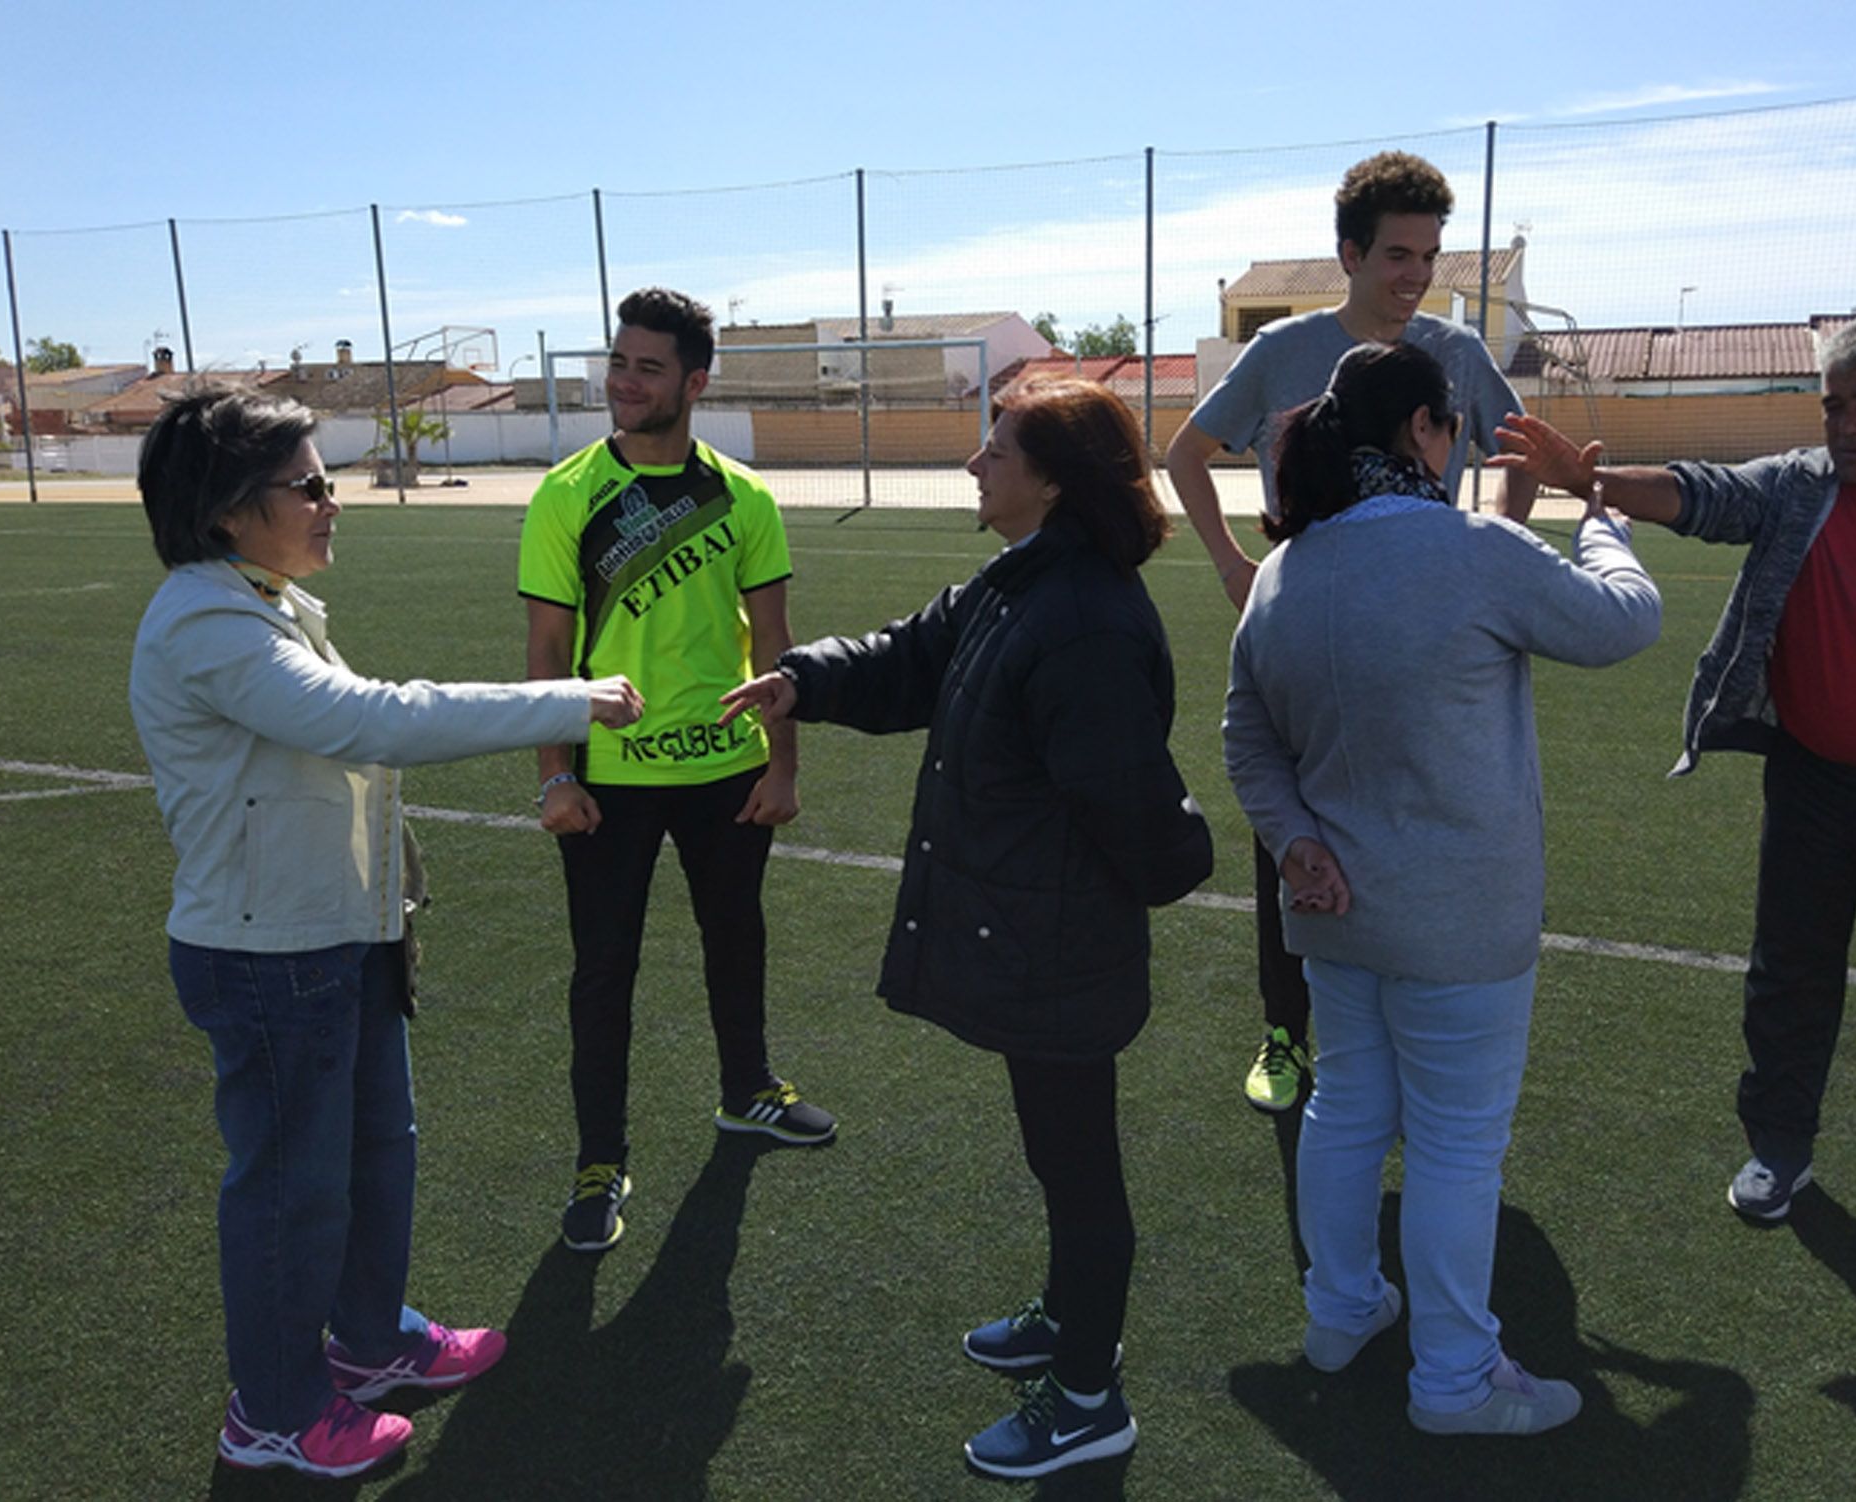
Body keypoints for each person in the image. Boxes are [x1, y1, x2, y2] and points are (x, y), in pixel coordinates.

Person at [129, 387, 645, 1479]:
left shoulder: (262, 601)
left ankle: (368, 1344)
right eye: (308, 484)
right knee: (288, 1187)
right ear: (228, 509)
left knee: (375, 1155)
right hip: (270, 957)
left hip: (338, 938)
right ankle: (271, 1408)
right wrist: (564, 702)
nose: (332, 501)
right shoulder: (207, 621)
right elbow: (371, 719)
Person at [719, 376, 1213, 1478]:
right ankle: (1067, 1318)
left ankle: (1087, 1392)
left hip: (1060, 946)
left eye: (995, 450)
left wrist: (1184, 858)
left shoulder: (1078, 616)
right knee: (1057, 1156)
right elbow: (911, 657)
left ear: (1050, 478)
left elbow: (1132, 805)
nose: (975, 465)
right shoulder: (1020, 581)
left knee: (1082, 1172)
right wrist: (802, 677)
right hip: (1034, 939)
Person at [1492, 314, 1856, 1236]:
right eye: (1835, 405)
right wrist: (1589, 480)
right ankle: (1782, 1145)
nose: (1847, 426)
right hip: (1812, 786)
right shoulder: (1802, 487)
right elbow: (1704, 493)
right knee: (1789, 977)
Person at [1224, 342, 1660, 1435]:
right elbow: (1624, 618)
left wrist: (1291, 841)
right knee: (1456, 1147)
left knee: (1345, 1108)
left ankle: (1339, 1309)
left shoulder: (1287, 566)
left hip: (1334, 913)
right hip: (1455, 914)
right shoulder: (1469, 549)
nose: (1460, 442)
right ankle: (1454, 1377)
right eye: (1451, 424)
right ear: (1421, 428)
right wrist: (1595, 512)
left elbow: (1245, 734)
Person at [1165, 150, 1540, 1114]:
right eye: (1397, 255)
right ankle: (1286, 1036)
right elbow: (1185, 454)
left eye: (1430, 256)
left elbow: (1521, 448)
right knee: (1288, 831)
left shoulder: (1456, 356)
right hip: (1306, 641)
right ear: (1349, 254)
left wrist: (1495, 546)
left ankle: (1412, 1042)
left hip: (1421, 650)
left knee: (1425, 835)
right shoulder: (1283, 352)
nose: (1416, 275)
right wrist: (1232, 569)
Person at [519, 287, 834, 1256]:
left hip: (725, 769)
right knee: (603, 969)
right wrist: (553, 778)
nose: (623, 380)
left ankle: (748, 1091)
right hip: (607, 776)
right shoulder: (567, 494)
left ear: (694, 382)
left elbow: (775, 646)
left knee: (735, 938)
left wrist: (781, 769)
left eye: (647, 367)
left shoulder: (744, 498)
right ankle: (599, 1159)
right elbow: (545, 652)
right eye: (618, 362)